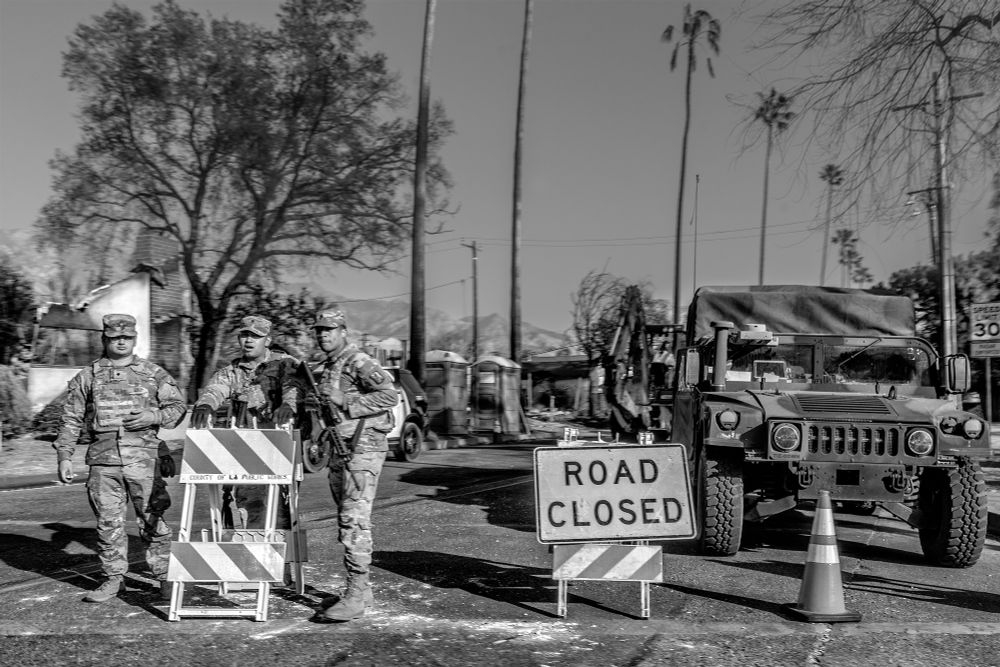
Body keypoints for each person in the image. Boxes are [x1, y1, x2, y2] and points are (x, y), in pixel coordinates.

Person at [53, 314, 186, 603]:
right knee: (108, 523)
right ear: (105, 339)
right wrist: (65, 454)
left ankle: (164, 577)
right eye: (115, 337)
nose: (121, 342)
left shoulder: (153, 373)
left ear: (135, 339)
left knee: (153, 519)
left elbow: (177, 408)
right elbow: (71, 418)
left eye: (126, 337)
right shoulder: (88, 376)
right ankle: (113, 579)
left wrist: (153, 416)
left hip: (143, 462)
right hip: (103, 462)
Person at [308, 309, 398, 622]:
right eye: (319, 330)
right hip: (340, 449)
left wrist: (347, 401)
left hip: (363, 450)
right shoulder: (329, 365)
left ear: (344, 331)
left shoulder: (357, 361)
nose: (323, 335)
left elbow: (389, 395)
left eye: (330, 330)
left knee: (354, 520)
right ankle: (362, 589)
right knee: (346, 516)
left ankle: (356, 592)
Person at [188, 315, 301, 528]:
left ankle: (279, 559)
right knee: (251, 511)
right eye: (245, 335)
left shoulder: (284, 364)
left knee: (280, 514)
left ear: (267, 340)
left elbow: (294, 387)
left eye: (255, 336)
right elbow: (216, 389)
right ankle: (254, 557)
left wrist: (289, 405)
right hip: (245, 452)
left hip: (278, 450)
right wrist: (205, 405)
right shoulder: (232, 372)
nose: (248, 341)